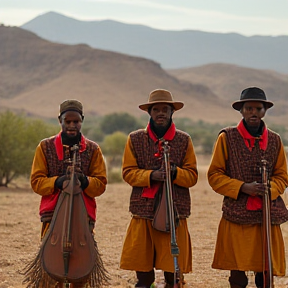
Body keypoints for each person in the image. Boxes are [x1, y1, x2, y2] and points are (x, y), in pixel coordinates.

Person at [207, 87, 288, 288]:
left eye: (258, 108)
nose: (253, 112)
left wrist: (271, 189)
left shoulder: (276, 140)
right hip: (237, 214)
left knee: (265, 270)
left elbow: (283, 175)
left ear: (264, 111)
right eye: (249, 108)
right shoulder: (226, 137)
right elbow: (215, 175)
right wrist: (243, 187)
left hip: (266, 214)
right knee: (237, 272)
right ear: (241, 110)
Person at [120, 89, 198, 288]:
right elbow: (128, 172)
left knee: (173, 274)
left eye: (165, 109)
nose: (161, 113)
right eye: (156, 109)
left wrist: (175, 174)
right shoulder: (135, 139)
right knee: (144, 275)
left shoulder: (184, 140)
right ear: (150, 112)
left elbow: (192, 176)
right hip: (142, 212)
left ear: (172, 112)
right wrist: (151, 176)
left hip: (175, 214)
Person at [26, 99, 108, 288]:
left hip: (83, 214)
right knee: (51, 264)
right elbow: (36, 182)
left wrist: (85, 180)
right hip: (52, 214)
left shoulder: (94, 149)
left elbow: (101, 184)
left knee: (81, 265)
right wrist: (57, 181)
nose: (72, 125)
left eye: (76, 121)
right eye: (67, 121)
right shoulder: (44, 147)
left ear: (82, 120)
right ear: (60, 120)